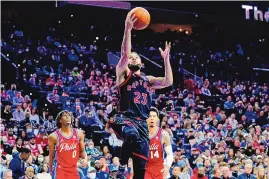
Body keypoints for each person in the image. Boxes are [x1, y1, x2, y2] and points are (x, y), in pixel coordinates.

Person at [113, 11, 173, 179]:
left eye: (136, 57)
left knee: (140, 171)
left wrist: (166, 60)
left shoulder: (148, 80)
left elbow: (168, 81)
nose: (132, 58)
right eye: (130, 57)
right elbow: (125, 54)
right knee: (130, 134)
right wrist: (128, 29)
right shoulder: (123, 74)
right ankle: (122, 166)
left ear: (141, 63)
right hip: (125, 118)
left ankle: (128, 168)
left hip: (142, 123)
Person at [48, 110, 86, 179]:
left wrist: (85, 159)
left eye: (69, 115)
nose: (67, 116)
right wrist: (50, 171)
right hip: (60, 170)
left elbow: (82, 151)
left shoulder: (79, 133)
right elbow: (51, 156)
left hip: (74, 169)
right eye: (65, 115)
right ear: (60, 120)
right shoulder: (53, 136)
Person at [145, 107, 173, 179]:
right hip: (145, 168)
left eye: (154, 116)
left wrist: (167, 166)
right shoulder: (140, 134)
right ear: (146, 118)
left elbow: (170, 154)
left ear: (157, 119)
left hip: (159, 168)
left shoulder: (164, 134)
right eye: (149, 116)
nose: (151, 118)